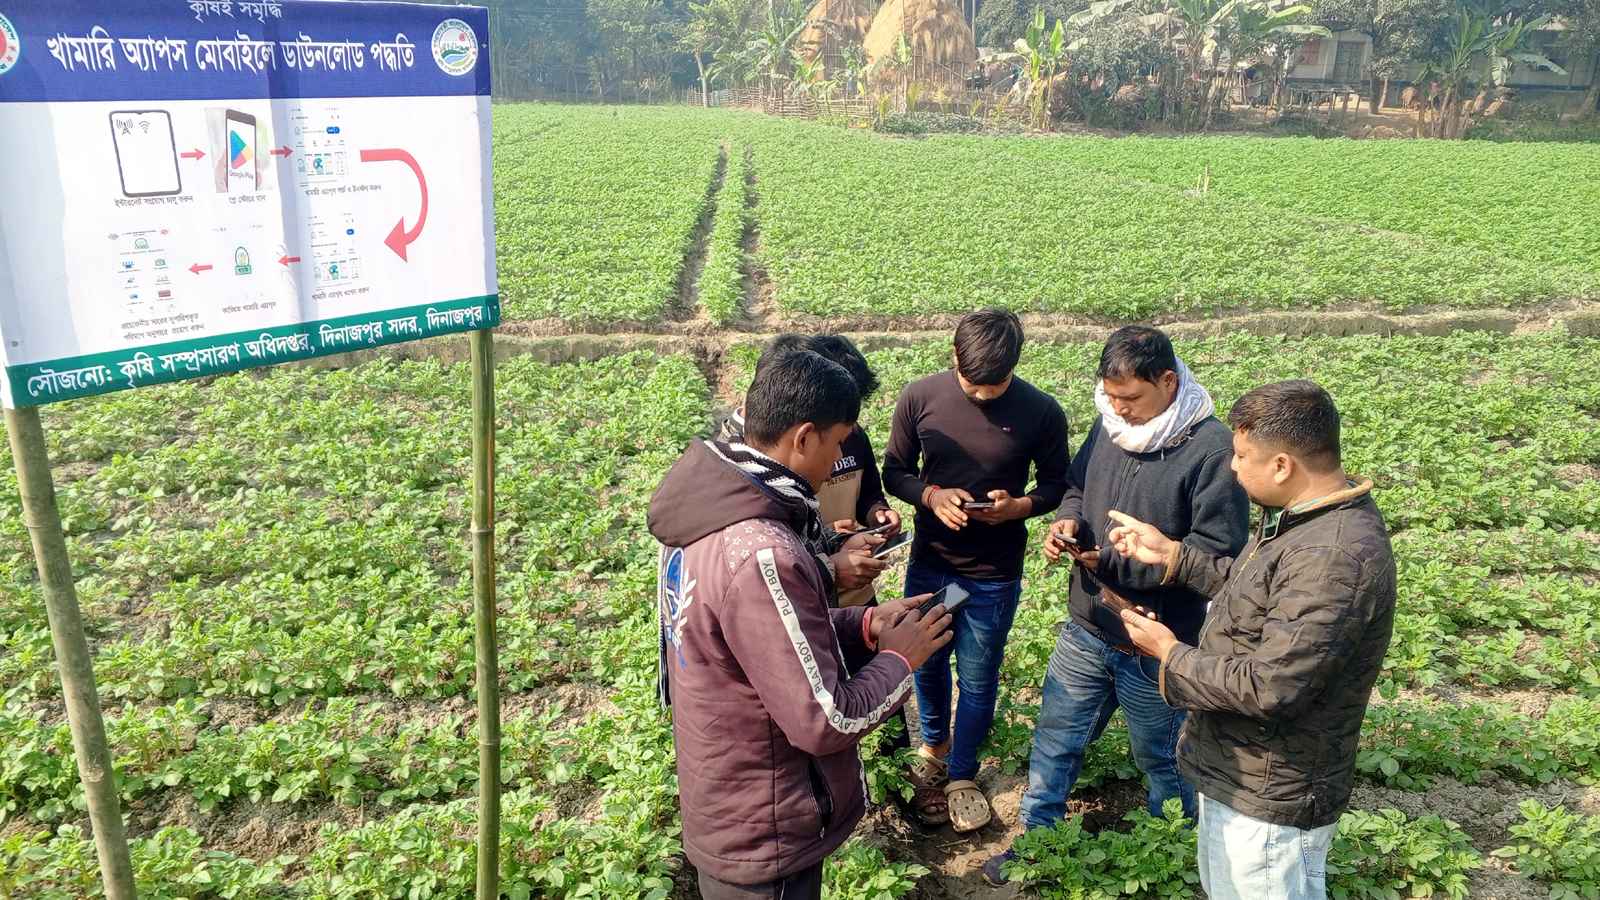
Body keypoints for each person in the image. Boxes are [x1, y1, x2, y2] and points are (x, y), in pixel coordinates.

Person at [648, 349, 954, 900]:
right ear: (805, 438)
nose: (839, 458)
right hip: (767, 826)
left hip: (726, 794)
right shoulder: (763, 552)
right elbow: (825, 720)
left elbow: (753, 644)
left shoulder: (705, 512)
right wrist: (899, 659)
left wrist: (863, 625)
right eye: (838, 444)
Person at [1106, 380, 1396, 900]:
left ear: (1283, 465)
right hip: (1242, 770)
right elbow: (1261, 597)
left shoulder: (1332, 556)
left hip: (1272, 790)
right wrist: (1175, 556)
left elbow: (1271, 686)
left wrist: (1171, 655)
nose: (1233, 467)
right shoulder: (1304, 524)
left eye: (1241, 456)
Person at [985, 326, 1248, 883]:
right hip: (1088, 623)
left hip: (1157, 640)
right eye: (1111, 397)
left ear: (1169, 382)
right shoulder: (1112, 427)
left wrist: (1118, 560)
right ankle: (1038, 841)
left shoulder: (1212, 450)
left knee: (1164, 760)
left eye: (1131, 399)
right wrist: (1068, 522)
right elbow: (1078, 484)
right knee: (1056, 739)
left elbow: (1217, 559)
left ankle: (1174, 859)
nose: (1120, 411)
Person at [882, 308, 1070, 832]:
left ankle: (963, 772)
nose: (984, 394)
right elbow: (894, 471)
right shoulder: (920, 397)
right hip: (932, 564)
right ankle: (934, 745)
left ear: (1014, 366)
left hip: (993, 572)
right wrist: (931, 494)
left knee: (980, 675)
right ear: (953, 358)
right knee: (926, 662)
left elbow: (1057, 484)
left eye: (996, 385)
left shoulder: (1042, 412)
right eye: (973, 383)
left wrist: (1022, 507)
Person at [720, 334, 891, 598]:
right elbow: (769, 588)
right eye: (836, 442)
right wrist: (829, 567)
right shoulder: (740, 475)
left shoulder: (833, 439)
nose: (837, 459)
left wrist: (832, 538)